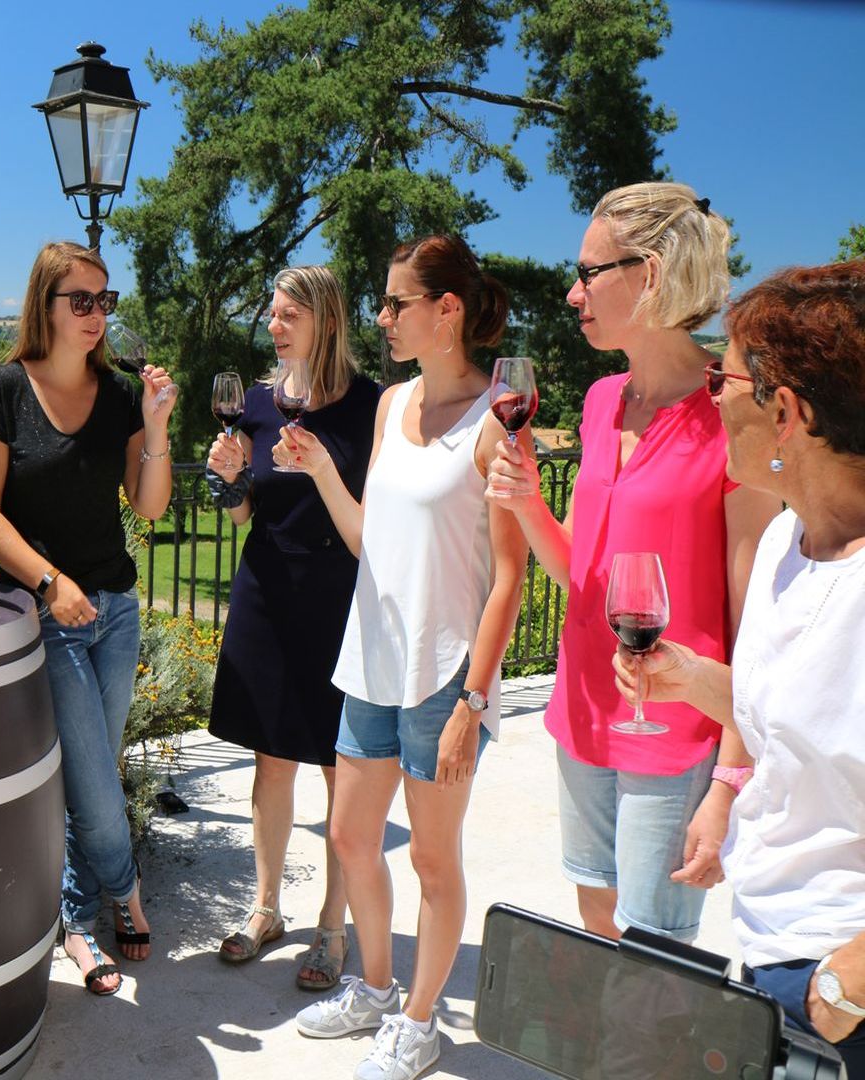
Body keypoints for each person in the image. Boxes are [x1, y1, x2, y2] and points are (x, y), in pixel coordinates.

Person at [487, 182, 779, 947]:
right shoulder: (601, 398)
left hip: (676, 730)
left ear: (648, 275)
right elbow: (581, 577)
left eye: (589, 272)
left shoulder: (729, 413)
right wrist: (524, 503)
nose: (572, 289)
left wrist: (728, 781)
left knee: (654, 953)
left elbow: (757, 624)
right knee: (596, 917)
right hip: (582, 708)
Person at [612, 261, 865, 1074]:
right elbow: (794, 718)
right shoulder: (787, 545)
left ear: (785, 412)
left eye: (726, 375)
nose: (711, 392)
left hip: (839, 984)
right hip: (774, 950)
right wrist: (692, 679)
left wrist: (847, 987)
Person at [285, 236, 528, 1080]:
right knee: (352, 836)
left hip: (444, 676)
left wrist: (474, 701)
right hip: (372, 662)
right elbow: (369, 543)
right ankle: (378, 989)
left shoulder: (495, 423)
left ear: (447, 311)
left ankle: (419, 1022)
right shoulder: (391, 406)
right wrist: (319, 468)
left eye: (396, 303)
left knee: (431, 859)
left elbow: (510, 579)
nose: (381, 318)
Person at [0, 241, 175, 996]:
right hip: (43, 614)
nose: (95, 314)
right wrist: (51, 582)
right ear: (44, 306)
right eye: (79, 300)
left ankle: (73, 915)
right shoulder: (4, 389)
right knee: (92, 777)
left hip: (116, 611)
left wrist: (154, 426)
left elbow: (149, 507)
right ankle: (115, 901)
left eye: (103, 300)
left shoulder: (119, 392)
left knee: (89, 776)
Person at [205, 265, 380, 990]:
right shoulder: (254, 402)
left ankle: (334, 928)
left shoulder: (373, 407)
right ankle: (266, 908)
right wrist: (230, 483)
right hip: (265, 593)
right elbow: (247, 512)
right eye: (272, 315)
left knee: (340, 769)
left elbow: (373, 524)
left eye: (288, 316)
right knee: (269, 760)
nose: (274, 328)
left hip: (338, 600)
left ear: (327, 320)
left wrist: (318, 472)